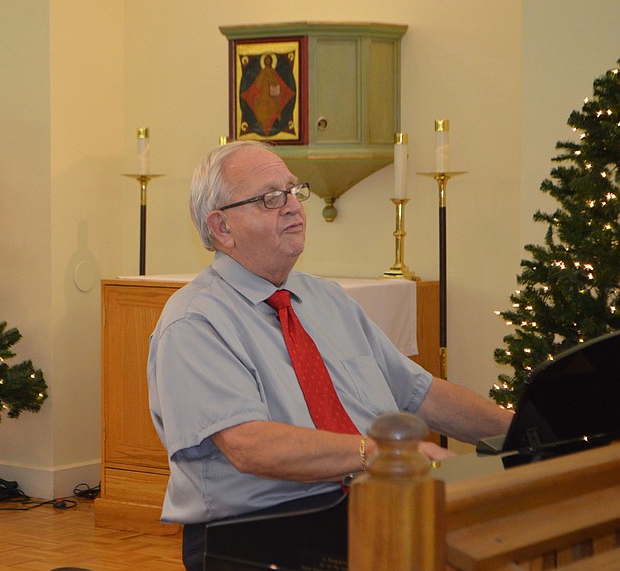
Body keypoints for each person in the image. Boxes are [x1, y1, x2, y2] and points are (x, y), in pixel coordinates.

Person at [146, 140, 513, 570]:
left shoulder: (327, 301)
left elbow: (422, 395)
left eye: (293, 191)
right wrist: (378, 453)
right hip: (263, 533)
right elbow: (249, 445)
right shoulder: (195, 322)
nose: (292, 207)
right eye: (270, 198)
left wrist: (526, 429)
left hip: (369, 507)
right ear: (222, 228)